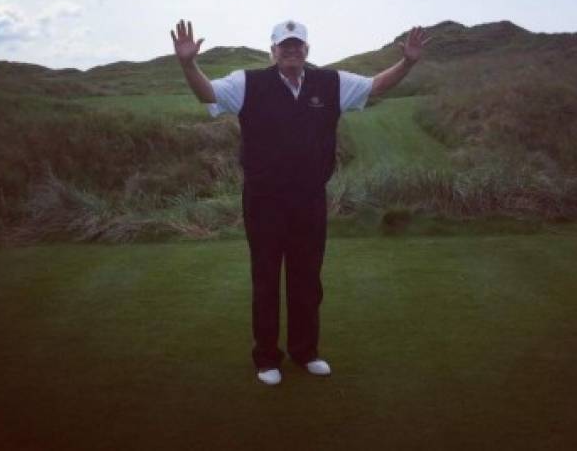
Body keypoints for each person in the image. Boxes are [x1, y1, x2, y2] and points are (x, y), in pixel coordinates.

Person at [170, 19, 430, 386]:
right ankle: (266, 358)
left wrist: (408, 63)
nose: (291, 52)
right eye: (284, 46)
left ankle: (305, 351)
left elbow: (375, 86)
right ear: (272, 51)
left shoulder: (331, 83)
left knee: (307, 277)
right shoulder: (248, 82)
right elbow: (207, 94)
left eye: (298, 46)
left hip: (309, 199)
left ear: (307, 50)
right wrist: (187, 64)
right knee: (266, 278)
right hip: (264, 200)